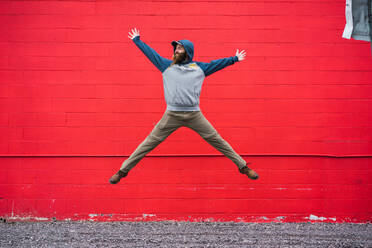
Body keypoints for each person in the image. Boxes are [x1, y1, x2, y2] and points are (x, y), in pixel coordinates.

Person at [109, 28, 259, 184]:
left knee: (217, 140)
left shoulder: (200, 68)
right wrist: (137, 41)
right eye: (176, 48)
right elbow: (151, 53)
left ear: (187, 51)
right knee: (148, 143)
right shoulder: (166, 65)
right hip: (171, 115)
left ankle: (243, 167)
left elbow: (217, 64)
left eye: (179, 48)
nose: (176, 50)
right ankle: (122, 171)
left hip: (194, 115)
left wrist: (234, 59)